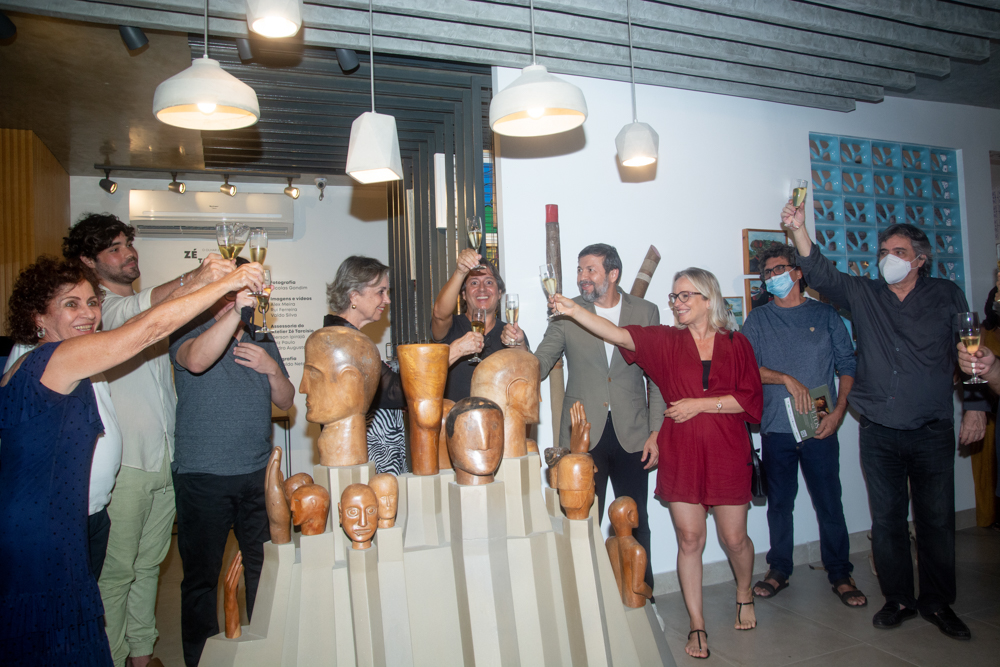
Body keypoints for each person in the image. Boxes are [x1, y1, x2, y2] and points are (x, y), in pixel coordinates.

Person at [0, 255, 262, 666]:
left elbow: (143, 322)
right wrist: (222, 285)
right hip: (42, 529)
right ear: (38, 316)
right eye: (71, 304)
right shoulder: (54, 359)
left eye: (92, 302)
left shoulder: (46, 356)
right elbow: (147, 331)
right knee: (56, 640)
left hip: (67, 518)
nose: (88, 313)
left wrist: (208, 289)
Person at [782, 201, 986, 640]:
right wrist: (798, 230)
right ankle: (898, 599)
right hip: (879, 430)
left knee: (936, 521)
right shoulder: (865, 293)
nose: (887, 259)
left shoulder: (946, 295)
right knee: (888, 521)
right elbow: (822, 274)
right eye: (883, 252)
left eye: (898, 252)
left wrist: (975, 407)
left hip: (931, 428)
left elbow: (971, 352)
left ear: (919, 259)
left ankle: (937, 602)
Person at [550, 266, 763, 660]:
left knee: (735, 539)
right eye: (673, 297)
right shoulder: (666, 340)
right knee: (690, 539)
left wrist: (700, 405)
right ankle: (697, 623)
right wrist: (575, 310)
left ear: (708, 299)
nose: (676, 303)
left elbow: (750, 400)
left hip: (727, 452)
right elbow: (618, 334)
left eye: (685, 296)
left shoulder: (737, 344)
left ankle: (744, 592)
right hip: (681, 453)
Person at [63, 213, 236, 667]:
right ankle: (114, 655)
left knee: (149, 565)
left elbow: (158, 315)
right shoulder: (99, 313)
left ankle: (141, 654)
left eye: (128, 243)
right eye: (114, 248)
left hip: (163, 455)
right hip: (126, 464)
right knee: (116, 572)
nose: (128, 253)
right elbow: (140, 311)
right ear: (88, 261)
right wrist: (199, 276)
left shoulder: (146, 311)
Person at [169, 257, 294, 667]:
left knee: (263, 569)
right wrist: (235, 313)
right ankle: (201, 659)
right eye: (239, 288)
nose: (247, 297)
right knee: (202, 580)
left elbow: (286, 400)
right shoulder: (189, 327)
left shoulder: (261, 334)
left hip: (256, 475)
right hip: (203, 477)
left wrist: (271, 368)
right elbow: (196, 361)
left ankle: (263, 653)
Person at [533, 244, 665, 594]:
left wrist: (656, 431)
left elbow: (657, 377)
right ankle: (585, 596)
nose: (582, 277)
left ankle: (641, 594)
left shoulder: (646, 311)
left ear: (613, 273)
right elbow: (541, 362)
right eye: (580, 270)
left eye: (590, 269)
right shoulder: (567, 312)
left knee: (636, 518)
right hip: (582, 435)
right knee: (582, 520)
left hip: (633, 434)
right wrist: (518, 350)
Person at [740, 245, 865, 607]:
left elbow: (848, 365)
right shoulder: (758, 320)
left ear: (797, 273)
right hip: (776, 429)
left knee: (829, 503)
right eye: (767, 272)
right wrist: (785, 378)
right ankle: (779, 569)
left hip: (820, 427)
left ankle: (840, 573)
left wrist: (839, 412)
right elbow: (746, 370)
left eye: (779, 269)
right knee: (779, 505)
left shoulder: (825, 315)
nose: (773, 276)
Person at [324, 256, 480, 474]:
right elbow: (398, 392)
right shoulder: (345, 342)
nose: (387, 300)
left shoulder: (346, 338)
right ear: (354, 296)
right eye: (380, 292)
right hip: (367, 465)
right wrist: (455, 351)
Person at [431, 249, 526, 401]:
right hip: (454, 415)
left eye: (489, 282)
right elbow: (439, 315)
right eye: (474, 283)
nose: (482, 288)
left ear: (499, 292)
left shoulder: (511, 333)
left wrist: (519, 345)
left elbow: (527, 376)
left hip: (499, 415)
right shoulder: (452, 326)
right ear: (463, 294)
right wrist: (460, 272)